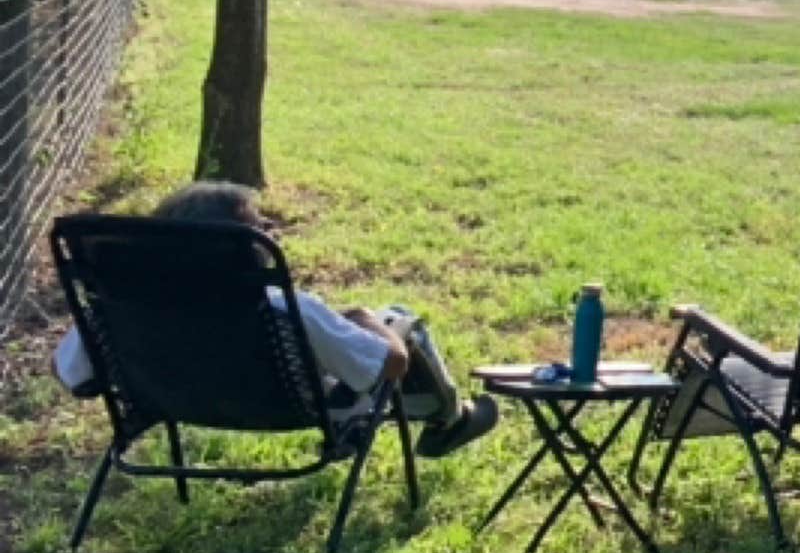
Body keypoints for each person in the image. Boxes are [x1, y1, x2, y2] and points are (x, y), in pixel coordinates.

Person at [52, 182, 499, 457]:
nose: (269, 232)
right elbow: (391, 366)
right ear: (239, 245)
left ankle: (446, 418)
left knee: (355, 338)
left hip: (171, 399)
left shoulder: (115, 306)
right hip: (299, 405)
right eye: (259, 226)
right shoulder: (287, 308)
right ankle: (449, 420)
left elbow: (70, 374)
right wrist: (363, 318)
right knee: (399, 320)